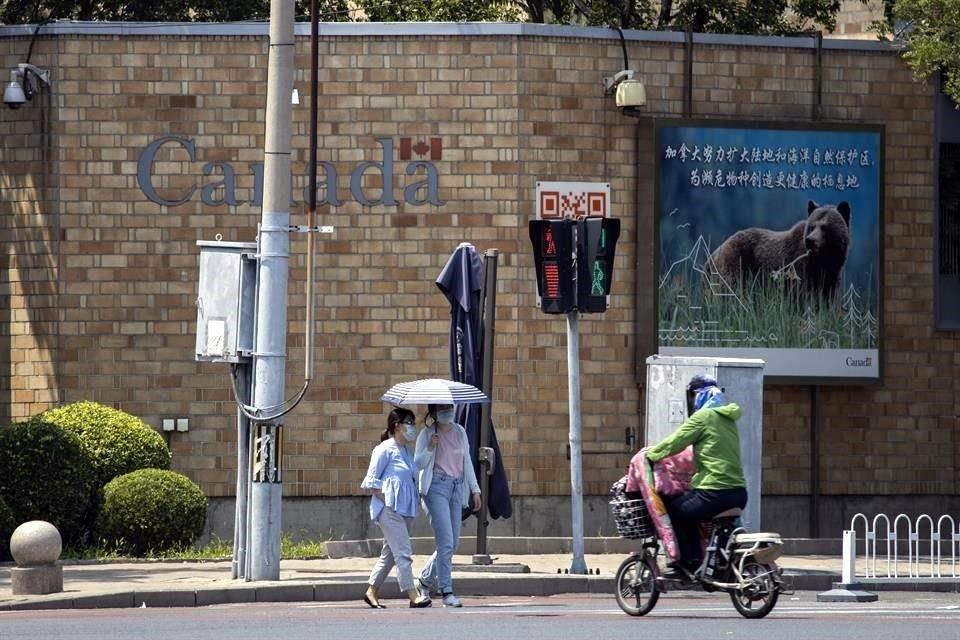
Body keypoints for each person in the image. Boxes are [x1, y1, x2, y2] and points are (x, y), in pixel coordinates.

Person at [645, 374, 747, 580]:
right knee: (694, 514)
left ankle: (686, 564)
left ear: (697, 395)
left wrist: (651, 455)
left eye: (692, 396)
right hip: (738, 493)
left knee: (676, 512)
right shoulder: (728, 419)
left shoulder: (703, 417)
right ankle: (713, 566)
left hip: (714, 491)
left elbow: (677, 441)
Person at [360, 407, 433, 608]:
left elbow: (414, 474)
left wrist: (430, 448)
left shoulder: (407, 452)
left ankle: (371, 591)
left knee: (390, 555)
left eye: (412, 423)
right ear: (397, 426)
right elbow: (372, 482)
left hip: (406, 510)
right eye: (409, 423)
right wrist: (388, 502)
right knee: (403, 552)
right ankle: (413, 595)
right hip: (389, 510)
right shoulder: (384, 449)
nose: (412, 427)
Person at [414, 403, 482, 608]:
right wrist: (430, 448)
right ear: (434, 413)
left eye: (450, 407)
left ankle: (425, 579)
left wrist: (475, 489)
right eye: (442, 409)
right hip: (435, 488)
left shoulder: (460, 431)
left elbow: (467, 461)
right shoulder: (427, 434)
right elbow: (417, 463)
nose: (448, 412)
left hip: (456, 488)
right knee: (446, 543)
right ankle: (447, 592)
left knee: (453, 544)